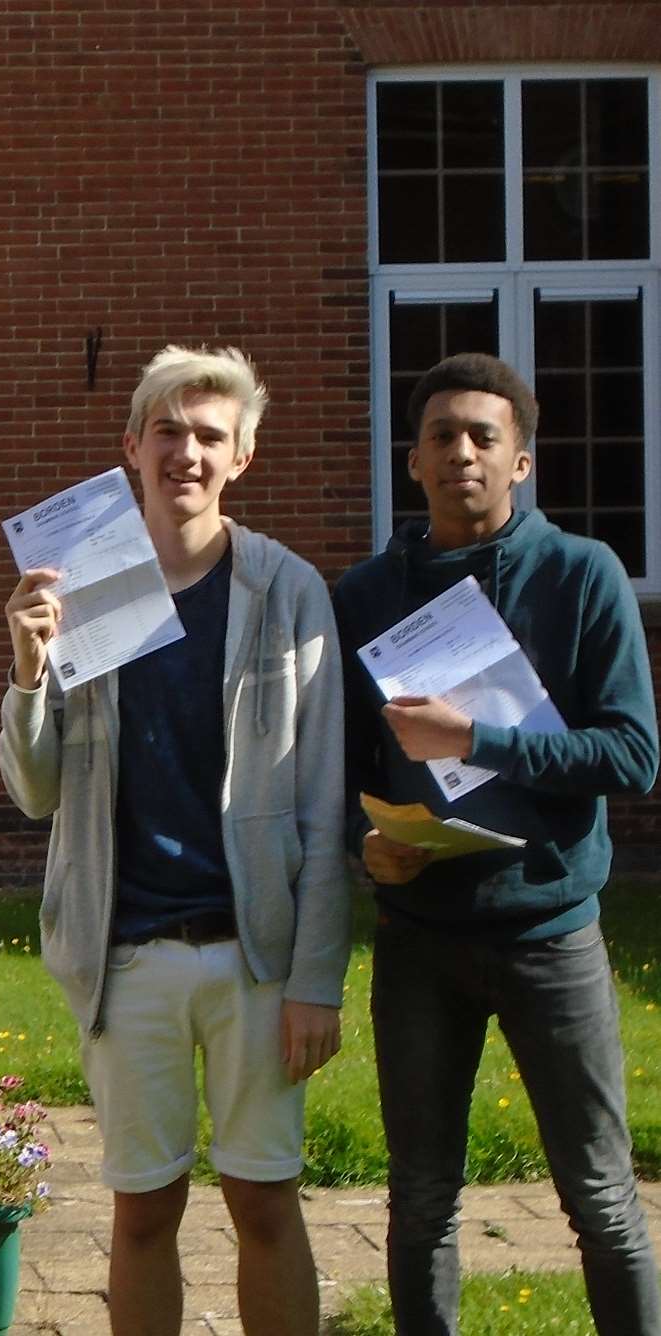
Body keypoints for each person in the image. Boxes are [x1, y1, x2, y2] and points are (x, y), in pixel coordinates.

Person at [0, 346, 348, 1336]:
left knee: (266, 1201)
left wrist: (316, 976)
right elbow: (34, 792)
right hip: (130, 949)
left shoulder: (286, 591)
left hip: (257, 954)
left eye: (209, 435)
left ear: (241, 456)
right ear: (132, 448)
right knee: (144, 1208)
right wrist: (28, 669)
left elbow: (322, 801)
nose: (186, 452)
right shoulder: (83, 587)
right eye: (168, 431)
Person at [332, 352, 660, 1336]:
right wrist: (369, 841)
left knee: (600, 1198)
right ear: (414, 460)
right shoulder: (365, 596)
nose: (462, 451)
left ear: (521, 459)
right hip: (419, 937)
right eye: (442, 436)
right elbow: (346, 769)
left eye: (484, 435)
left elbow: (634, 752)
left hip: (550, 933)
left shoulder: (581, 575)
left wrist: (479, 738)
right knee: (421, 1199)